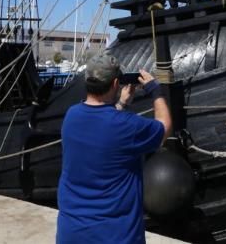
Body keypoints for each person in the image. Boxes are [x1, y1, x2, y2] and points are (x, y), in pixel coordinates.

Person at [56, 53, 173, 244]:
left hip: (72, 233)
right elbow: (165, 126)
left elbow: (101, 126)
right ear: (115, 83)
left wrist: (121, 104)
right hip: (114, 236)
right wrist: (155, 91)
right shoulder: (127, 126)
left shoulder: (71, 116)